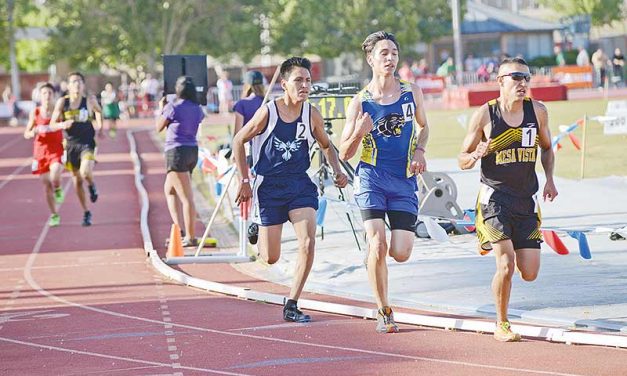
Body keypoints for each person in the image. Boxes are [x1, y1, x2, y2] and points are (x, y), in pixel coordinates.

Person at [232, 57, 348, 323]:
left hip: (298, 183)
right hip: (268, 186)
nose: (305, 85)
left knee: (307, 241)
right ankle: (257, 226)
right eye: (298, 80)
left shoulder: (312, 114)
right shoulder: (268, 112)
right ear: (284, 84)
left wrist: (337, 170)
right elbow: (239, 140)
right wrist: (245, 180)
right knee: (270, 258)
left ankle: (292, 303)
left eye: (308, 80)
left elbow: (327, 145)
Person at [458, 57, 558, 342]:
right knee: (506, 264)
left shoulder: (537, 111)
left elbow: (548, 149)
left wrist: (550, 178)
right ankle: (501, 323)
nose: (522, 83)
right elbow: (461, 158)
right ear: (500, 81)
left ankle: (499, 243)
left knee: (530, 272)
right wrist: (476, 153)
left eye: (526, 77)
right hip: (494, 199)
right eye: (515, 77)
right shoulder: (486, 115)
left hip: (526, 201)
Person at [339, 31, 429, 333]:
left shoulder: (411, 91)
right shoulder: (360, 103)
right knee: (378, 244)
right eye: (383, 53)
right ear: (370, 59)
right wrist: (359, 133)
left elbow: (424, 127)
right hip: (371, 178)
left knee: (400, 252)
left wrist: (419, 150)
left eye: (394, 52)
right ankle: (384, 310)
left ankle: (374, 257)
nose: (390, 58)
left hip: (403, 180)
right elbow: (344, 152)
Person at [156, 76, 205, 247]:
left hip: (176, 152)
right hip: (192, 151)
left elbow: (158, 127)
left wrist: (161, 109)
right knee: (169, 190)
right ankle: (179, 229)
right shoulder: (197, 108)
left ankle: (191, 237)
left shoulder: (172, 107)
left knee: (186, 197)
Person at [50, 72, 103, 227]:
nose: (77, 84)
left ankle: (92, 185)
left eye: (80, 82)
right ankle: (86, 212)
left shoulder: (89, 101)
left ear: (83, 85)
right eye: (74, 82)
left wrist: (100, 127)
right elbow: (53, 123)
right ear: (68, 85)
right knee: (77, 181)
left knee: (85, 172)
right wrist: (62, 125)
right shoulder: (62, 103)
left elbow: (99, 112)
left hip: (87, 143)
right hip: (70, 145)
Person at [23, 83, 65, 226]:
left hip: (56, 149)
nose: (47, 96)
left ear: (54, 96)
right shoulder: (35, 112)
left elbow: (66, 124)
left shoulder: (58, 111)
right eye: (44, 93)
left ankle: (58, 188)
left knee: (55, 173)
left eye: (49, 93)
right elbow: (27, 132)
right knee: (46, 185)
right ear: (40, 96)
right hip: (40, 151)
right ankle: (54, 215)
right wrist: (32, 132)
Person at [233, 70, 267, 244]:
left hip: (248, 150)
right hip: (266, 151)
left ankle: (252, 221)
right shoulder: (267, 103)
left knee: (249, 186)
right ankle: (259, 221)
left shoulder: (241, 104)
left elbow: (237, 133)